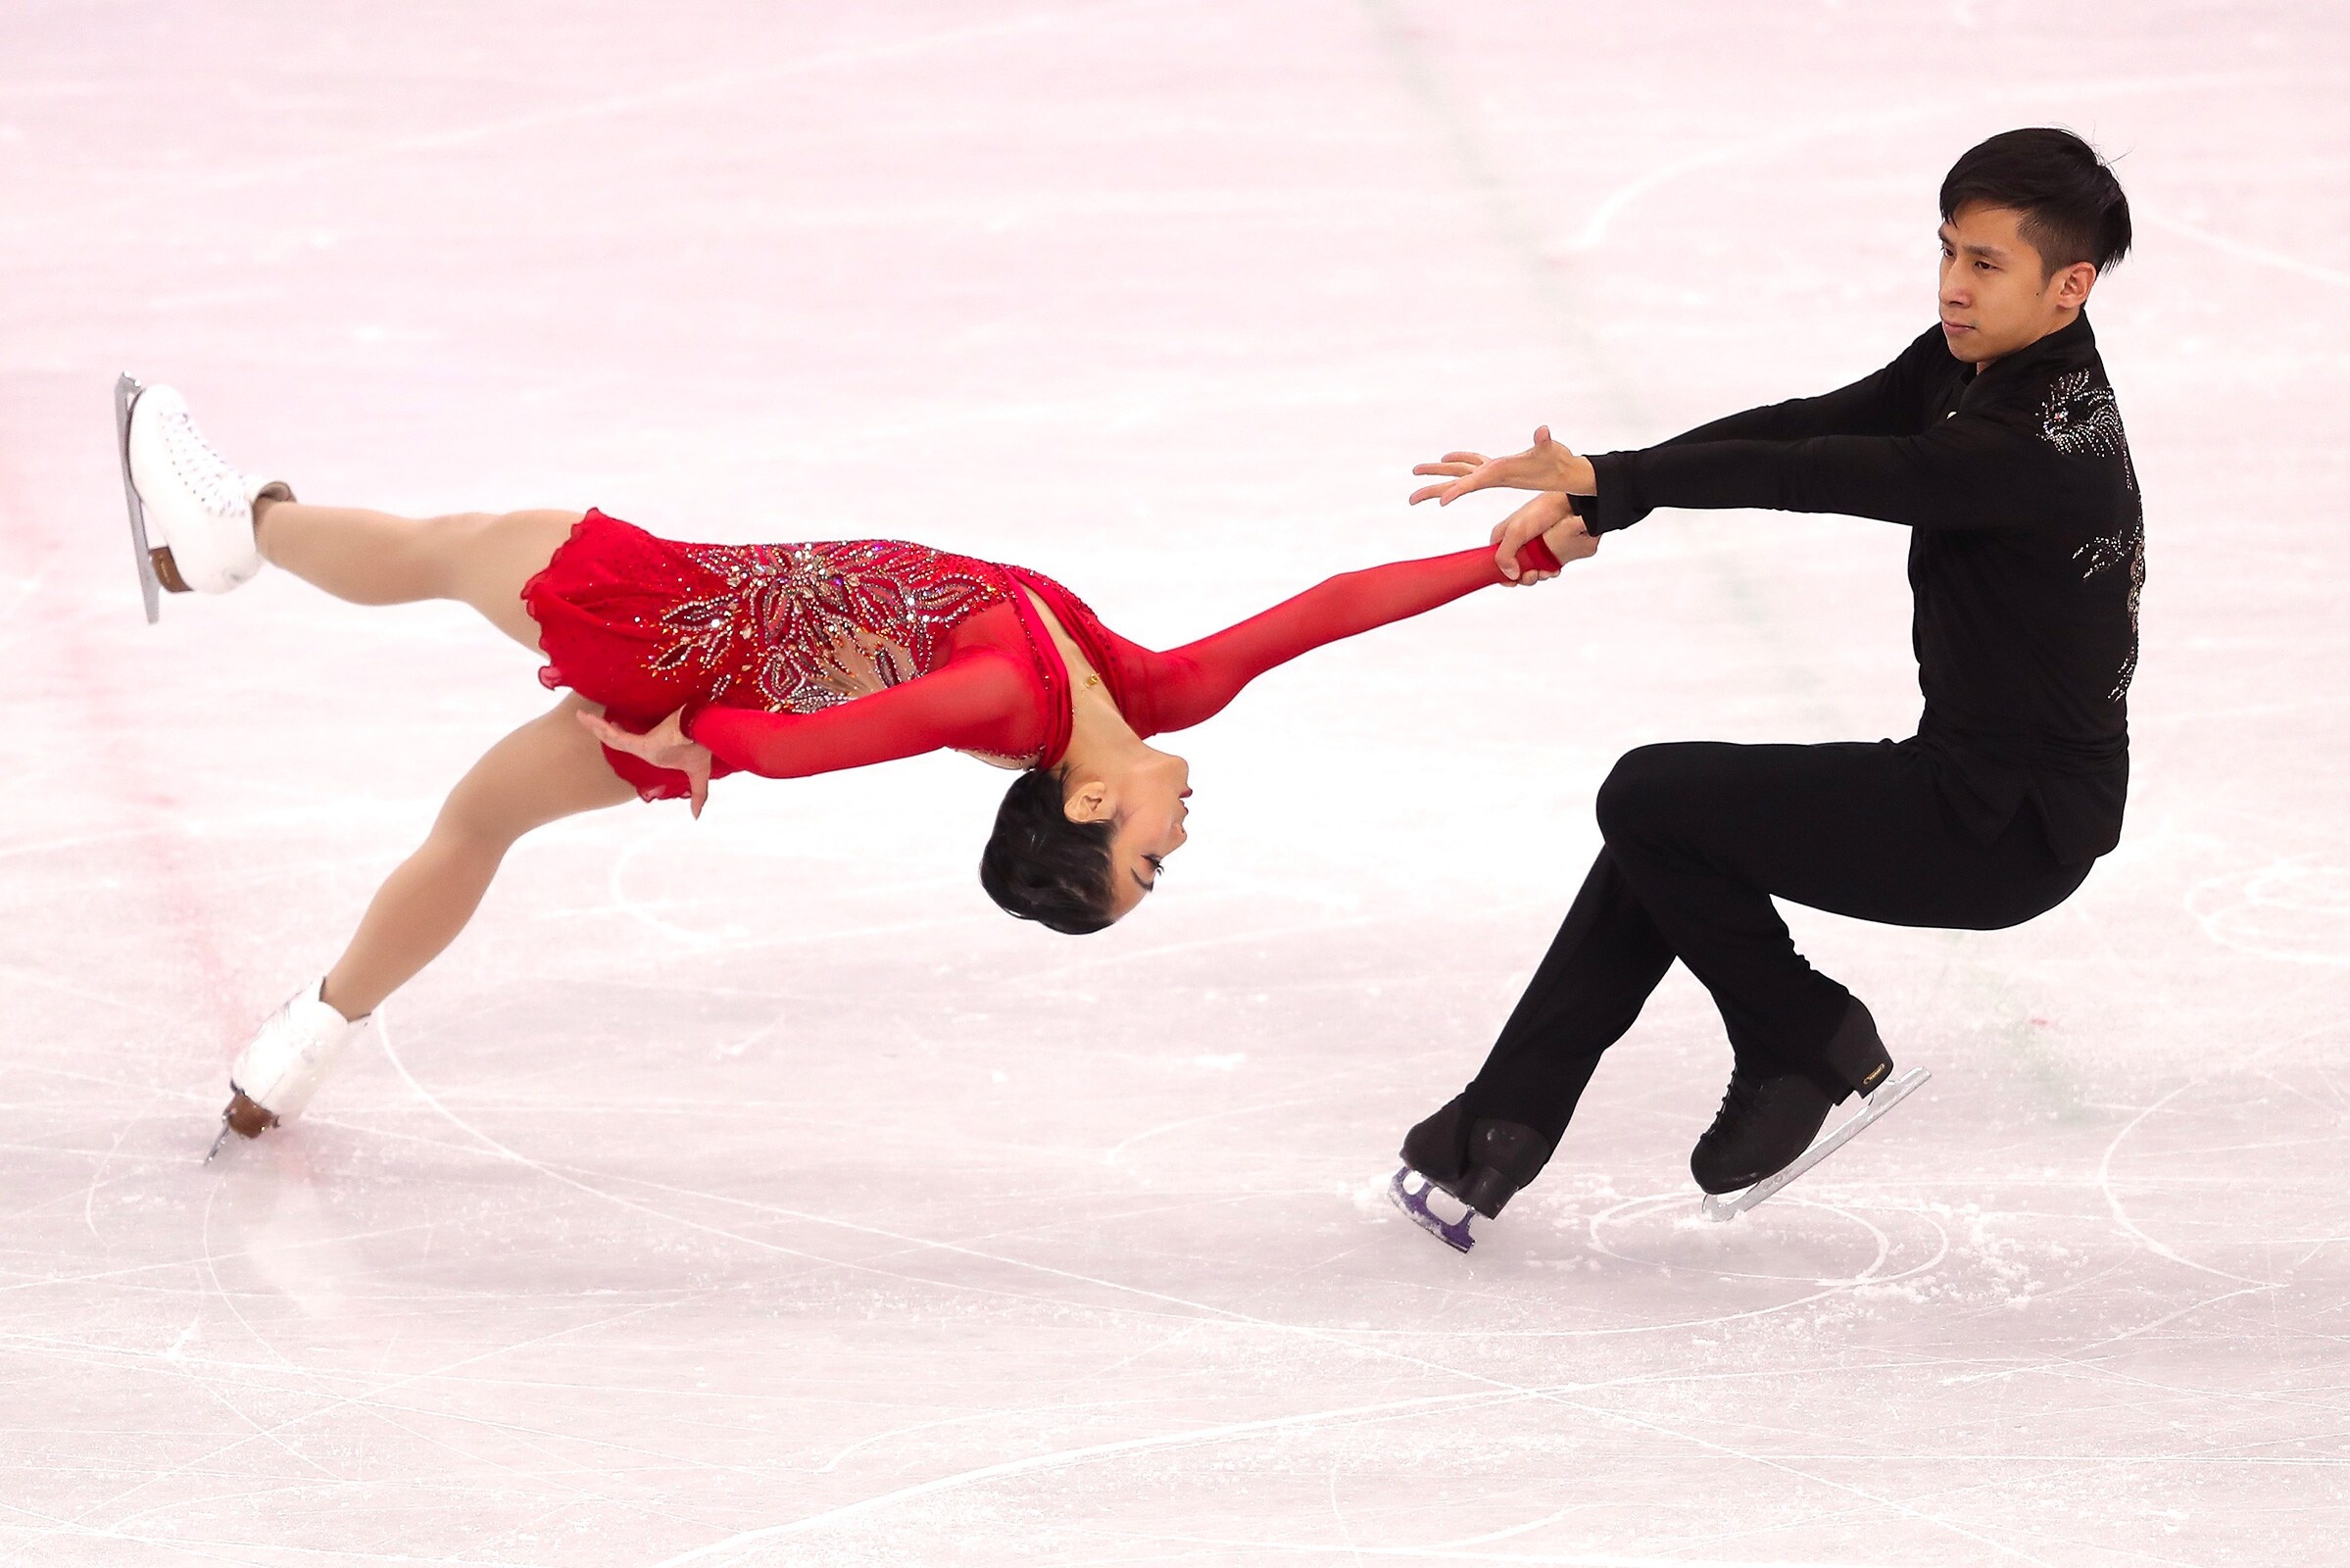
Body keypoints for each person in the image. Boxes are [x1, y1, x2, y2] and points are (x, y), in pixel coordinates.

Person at [111, 381, 1593, 1150]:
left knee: (452, 553)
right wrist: (1485, 564)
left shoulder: (1005, 691)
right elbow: (1315, 619)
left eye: (1148, 861)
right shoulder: (1143, 687)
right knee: (479, 822)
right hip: (696, 682)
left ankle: (230, 530)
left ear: (1085, 802)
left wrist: (694, 736)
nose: (1178, 839)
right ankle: (293, 1053)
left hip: (684, 622)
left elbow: (826, 745)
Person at [1391, 126, 2142, 1236]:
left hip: (2006, 826)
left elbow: (1808, 473)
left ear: (2068, 286)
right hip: (1972, 781)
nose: (1951, 285)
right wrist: (1607, 496)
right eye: (1945, 251)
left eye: (1984, 264)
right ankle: (1495, 1132)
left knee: (1650, 796)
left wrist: (1613, 479)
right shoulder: (1974, 366)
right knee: (1668, 829)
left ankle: (1801, 1034)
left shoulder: (2029, 444)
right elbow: (1809, 421)